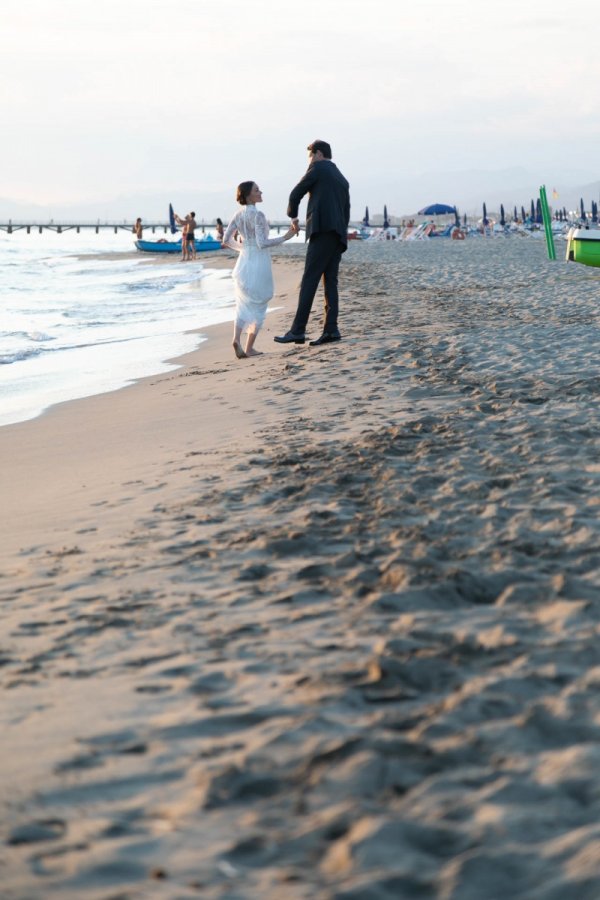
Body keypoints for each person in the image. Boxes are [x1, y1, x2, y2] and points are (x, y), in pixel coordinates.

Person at [274, 139, 350, 347]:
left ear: (317, 154)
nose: (308, 160)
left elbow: (295, 193)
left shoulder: (316, 168)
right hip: (338, 235)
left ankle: (298, 330)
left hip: (322, 231)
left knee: (309, 281)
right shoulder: (341, 177)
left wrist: (293, 217)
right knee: (330, 283)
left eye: (309, 156)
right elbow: (346, 210)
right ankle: (331, 329)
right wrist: (342, 235)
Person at [222, 181, 297, 359]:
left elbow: (226, 239)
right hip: (258, 262)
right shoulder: (258, 215)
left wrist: (243, 249)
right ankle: (249, 347)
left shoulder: (238, 215)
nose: (260, 192)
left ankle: (237, 340)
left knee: (243, 303)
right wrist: (286, 236)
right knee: (260, 303)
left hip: (244, 262)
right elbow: (262, 243)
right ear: (248, 195)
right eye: (257, 190)